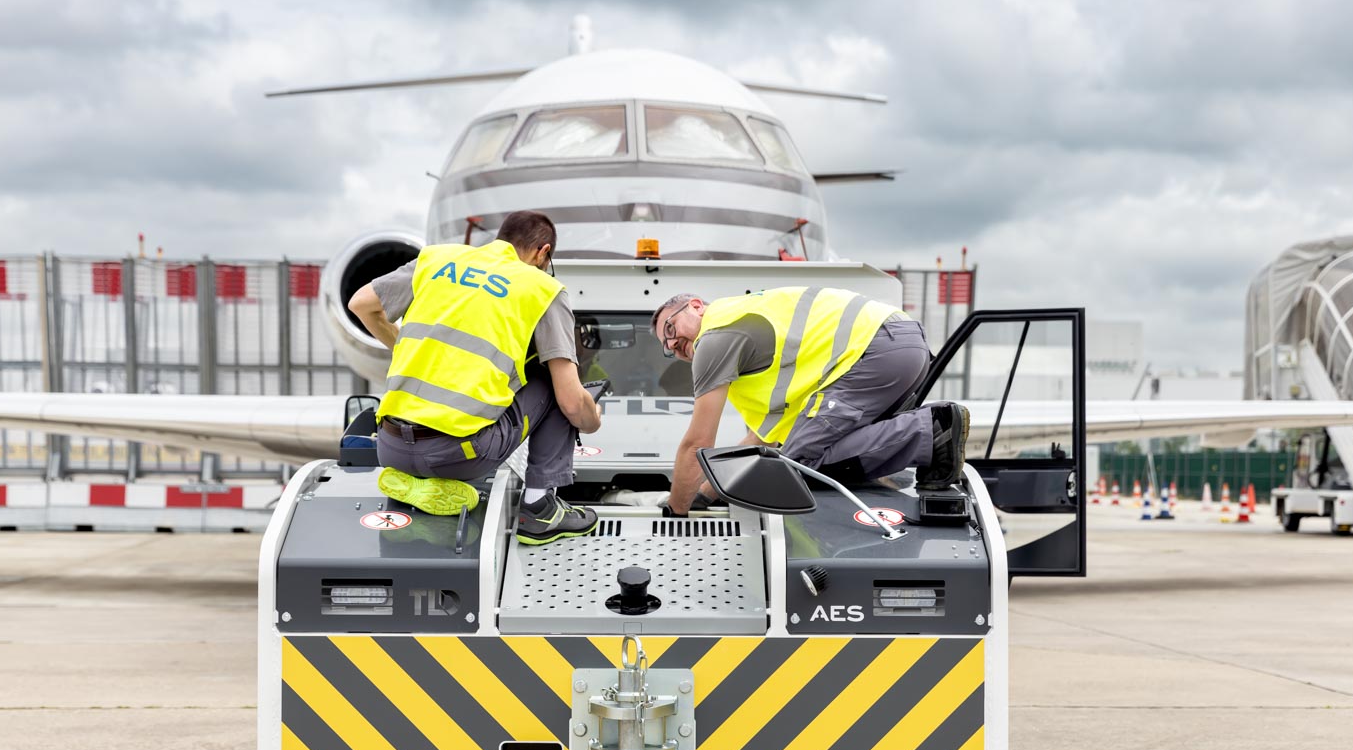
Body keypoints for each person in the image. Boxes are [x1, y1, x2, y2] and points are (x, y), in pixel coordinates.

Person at [346, 210, 602, 544]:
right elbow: (570, 401)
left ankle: (418, 482)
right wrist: (590, 419)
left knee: (424, 447)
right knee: (550, 378)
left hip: (391, 447)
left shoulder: (437, 259)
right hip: (460, 456)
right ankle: (540, 507)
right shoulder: (543, 288)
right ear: (543, 253)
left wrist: (404, 349)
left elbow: (361, 304)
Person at [652, 287, 968, 515]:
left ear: (696, 306)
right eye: (666, 346)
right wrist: (708, 495)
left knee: (794, 469)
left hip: (874, 351)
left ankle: (930, 431)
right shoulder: (742, 333)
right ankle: (928, 437)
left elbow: (697, 443)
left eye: (670, 328)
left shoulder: (715, 335)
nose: (673, 343)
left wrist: (677, 509)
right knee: (798, 454)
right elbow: (761, 441)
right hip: (900, 346)